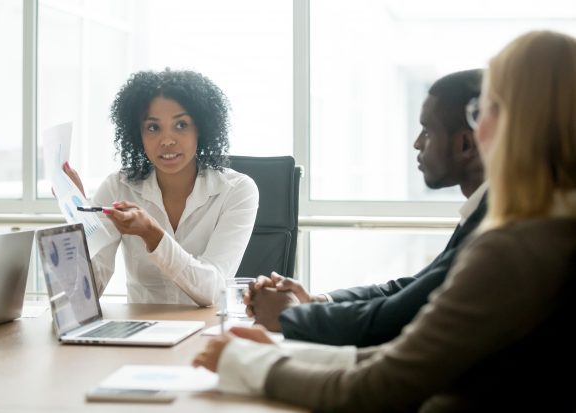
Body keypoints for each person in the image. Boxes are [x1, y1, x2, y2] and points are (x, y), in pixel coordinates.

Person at [194, 30, 576, 411]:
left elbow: (377, 388)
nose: (479, 129)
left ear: (513, 123)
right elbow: (418, 356)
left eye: (483, 111)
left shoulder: (514, 248)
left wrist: (245, 361)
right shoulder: (549, 230)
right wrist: (288, 354)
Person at [246, 69, 487, 347]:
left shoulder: (492, 225)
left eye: (427, 131)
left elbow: (394, 319)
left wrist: (293, 315)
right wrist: (318, 301)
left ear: (466, 143)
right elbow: (409, 290)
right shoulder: (480, 211)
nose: (417, 143)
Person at [63, 69, 258, 306]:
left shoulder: (236, 191)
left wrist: (152, 234)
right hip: (141, 332)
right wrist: (80, 216)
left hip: (208, 332)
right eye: (153, 128)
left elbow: (213, 290)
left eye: (181, 125)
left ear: (201, 129)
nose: (167, 140)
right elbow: (85, 293)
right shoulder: (117, 187)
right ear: (138, 134)